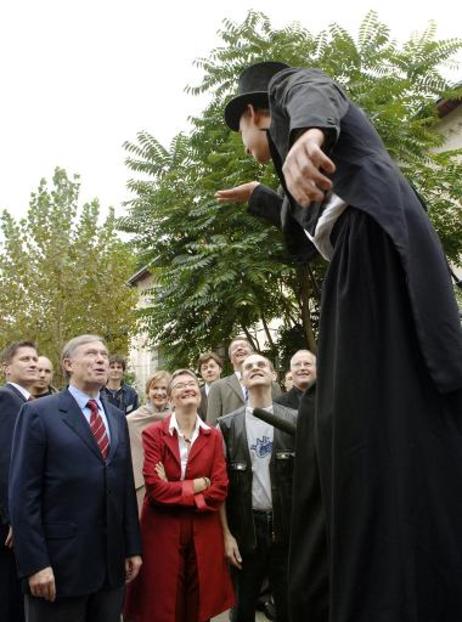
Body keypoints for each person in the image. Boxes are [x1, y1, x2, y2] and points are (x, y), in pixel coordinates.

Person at [219, 61, 462, 621]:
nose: (253, 146)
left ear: (257, 114)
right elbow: (305, 226)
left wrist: (307, 133)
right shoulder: (320, 181)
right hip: (361, 258)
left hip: (374, 246)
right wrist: (262, 195)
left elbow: (313, 84)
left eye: (245, 134)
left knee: (366, 419)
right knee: (349, 422)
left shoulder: (292, 96)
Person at [9, 334, 142, 622]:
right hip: (59, 568)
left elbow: (123, 487)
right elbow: (23, 495)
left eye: (104, 355)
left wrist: (132, 546)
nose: (101, 360)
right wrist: (35, 564)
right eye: (92, 353)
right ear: (68, 364)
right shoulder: (37, 413)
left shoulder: (117, 416)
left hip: (110, 567)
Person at [124, 369, 234, 622]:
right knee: (164, 602)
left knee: (198, 603)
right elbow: (155, 488)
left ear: (200, 393)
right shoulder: (153, 434)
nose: (187, 388)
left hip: (203, 527)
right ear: (171, 398)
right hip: (161, 529)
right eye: (180, 385)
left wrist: (179, 489)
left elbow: (219, 488)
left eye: (192, 384)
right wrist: (197, 484)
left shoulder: (214, 436)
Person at [218, 353, 297, 622]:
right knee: (242, 607)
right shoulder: (227, 425)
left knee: (289, 606)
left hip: (287, 529)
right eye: (248, 366)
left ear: (274, 375)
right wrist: (227, 536)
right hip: (245, 530)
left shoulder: (295, 420)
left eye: (261, 364)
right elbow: (221, 489)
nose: (254, 368)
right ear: (241, 378)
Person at [0, 340, 38, 622]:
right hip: (11, 522)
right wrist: (14, 516)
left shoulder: (28, 403)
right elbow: (7, 461)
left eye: (35, 359)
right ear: (6, 368)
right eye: (25, 359)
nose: (33, 363)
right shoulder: (6, 400)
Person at [127, 370, 172, 512]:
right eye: (155, 388)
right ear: (147, 392)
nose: (159, 392)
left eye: (164, 388)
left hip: (171, 479)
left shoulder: (177, 416)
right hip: (141, 481)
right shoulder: (131, 420)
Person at [207, 338, 280, 425]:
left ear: (252, 353)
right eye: (235, 348)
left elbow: (280, 415)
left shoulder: (273, 385)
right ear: (231, 359)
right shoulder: (217, 387)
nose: (239, 348)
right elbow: (211, 424)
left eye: (243, 346)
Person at [197, 351, 223, 420]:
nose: (209, 370)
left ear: (220, 369)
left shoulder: (231, 390)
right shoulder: (197, 395)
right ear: (200, 373)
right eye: (205, 368)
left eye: (212, 366)